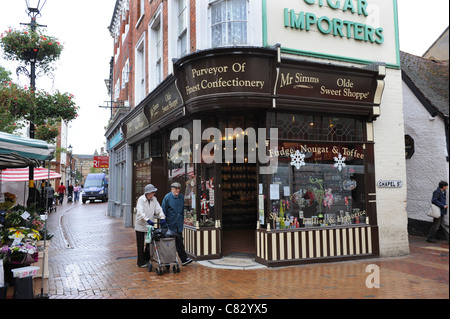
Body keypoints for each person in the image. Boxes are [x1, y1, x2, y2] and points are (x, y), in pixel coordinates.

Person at [161, 182, 193, 266]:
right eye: (176, 189)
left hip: (178, 224)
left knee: (179, 241)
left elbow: (182, 210)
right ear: (172, 189)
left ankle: (184, 259)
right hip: (170, 224)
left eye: (179, 189)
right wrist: (163, 223)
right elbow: (163, 210)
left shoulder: (181, 197)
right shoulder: (167, 197)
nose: (177, 190)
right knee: (169, 244)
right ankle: (167, 261)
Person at [135, 184, 166, 267]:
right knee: (140, 244)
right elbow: (140, 212)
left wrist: (162, 217)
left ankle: (146, 259)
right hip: (141, 225)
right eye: (153, 192)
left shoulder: (154, 199)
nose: (154, 194)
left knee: (150, 243)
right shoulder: (141, 200)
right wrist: (147, 219)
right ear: (148, 193)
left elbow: (159, 209)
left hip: (149, 225)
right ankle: (140, 262)